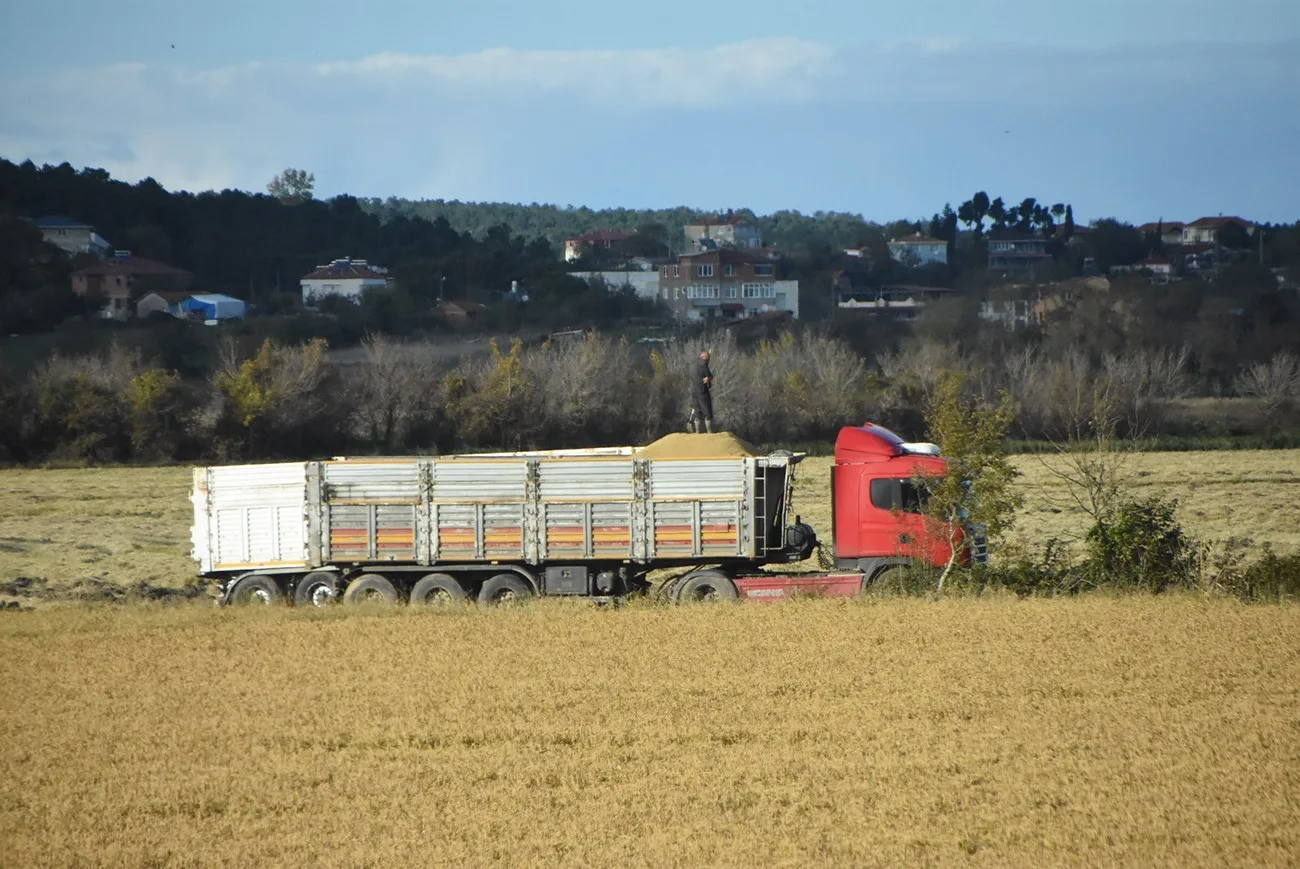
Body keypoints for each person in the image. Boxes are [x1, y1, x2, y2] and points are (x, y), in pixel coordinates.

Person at [688, 350, 715, 433]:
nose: (708, 360)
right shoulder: (703, 364)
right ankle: (710, 433)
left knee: (697, 412)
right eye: (708, 358)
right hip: (702, 390)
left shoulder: (692, 365)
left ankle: (697, 432)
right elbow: (709, 375)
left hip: (693, 391)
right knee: (707, 412)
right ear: (703, 357)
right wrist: (709, 378)